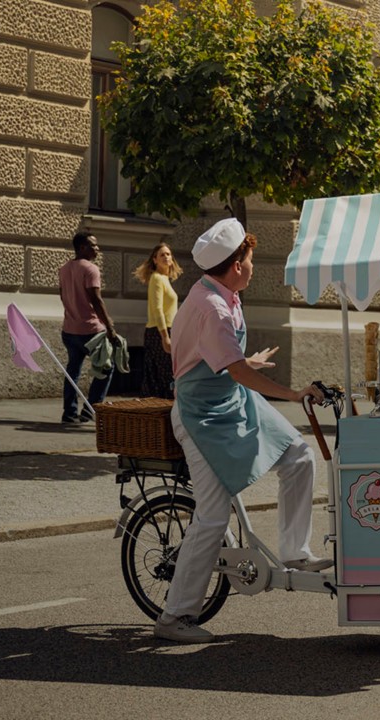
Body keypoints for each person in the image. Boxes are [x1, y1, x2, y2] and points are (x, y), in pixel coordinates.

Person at [155, 217, 331, 644]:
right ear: (236, 265)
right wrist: (292, 394)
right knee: (213, 517)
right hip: (202, 415)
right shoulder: (212, 306)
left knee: (298, 456)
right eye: (250, 260)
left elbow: (218, 358)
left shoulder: (220, 292)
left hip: (230, 400)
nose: (253, 266)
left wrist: (245, 361)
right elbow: (229, 366)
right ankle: (174, 617)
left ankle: (294, 551)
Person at [58, 232, 117, 423]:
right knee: (106, 368)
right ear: (82, 247)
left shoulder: (64, 268)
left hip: (69, 329)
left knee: (72, 371)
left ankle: (69, 413)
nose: (97, 248)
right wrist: (109, 326)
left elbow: (62, 296)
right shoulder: (91, 269)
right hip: (91, 330)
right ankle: (91, 409)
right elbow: (96, 299)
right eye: (93, 245)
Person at [133, 242, 181, 398]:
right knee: (161, 377)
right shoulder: (157, 278)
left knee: (167, 376)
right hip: (159, 332)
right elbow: (158, 309)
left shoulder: (165, 279)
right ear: (155, 260)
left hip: (168, 330)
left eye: (168, 254)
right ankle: (157, 415)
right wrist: (165, 337)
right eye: (162, 254)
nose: (166, 257)